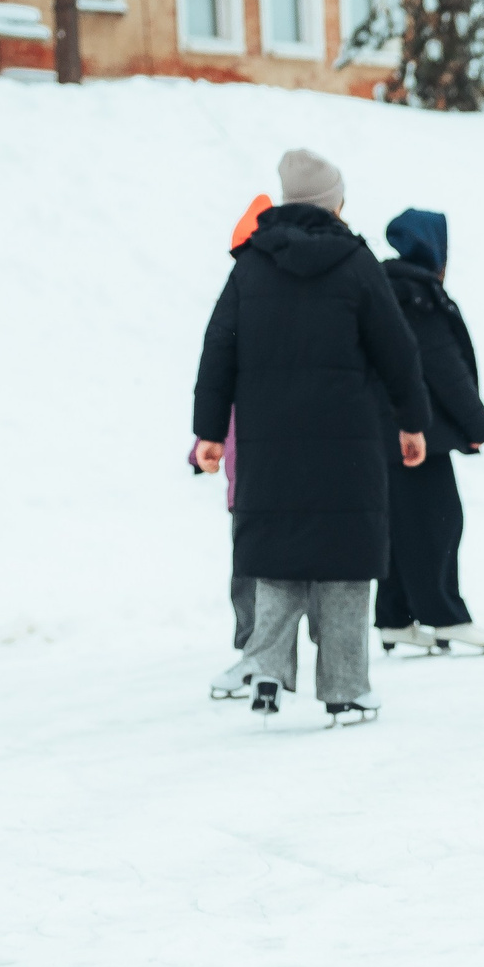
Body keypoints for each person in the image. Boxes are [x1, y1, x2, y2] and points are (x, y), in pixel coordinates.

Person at [193, 149, 430, 726]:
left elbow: (217, 349)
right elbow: (397, 350)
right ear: (334, 204)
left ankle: (268, 670)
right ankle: (346, 690)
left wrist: (208, 432)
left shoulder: (249, 264)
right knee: (345, 565)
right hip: (345, 442)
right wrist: (412, 420)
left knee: (274, 554)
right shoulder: (355, 262)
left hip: (269, 443)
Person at [375, 209, 484, 657]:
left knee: (400, 527)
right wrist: (477, 424)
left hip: (388, 431)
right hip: (419, 434)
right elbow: (443, 366)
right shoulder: (416, 295)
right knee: (439, 523)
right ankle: (446, 617)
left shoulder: (384, 288)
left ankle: (395, 619)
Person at [203, 194, 273, 699]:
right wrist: (202, 443)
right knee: (246, 569)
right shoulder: (242, 305)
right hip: (242, 476)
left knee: (266, 567)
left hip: (267, 468)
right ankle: (251, 648)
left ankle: (265, 653)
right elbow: (220, 390)